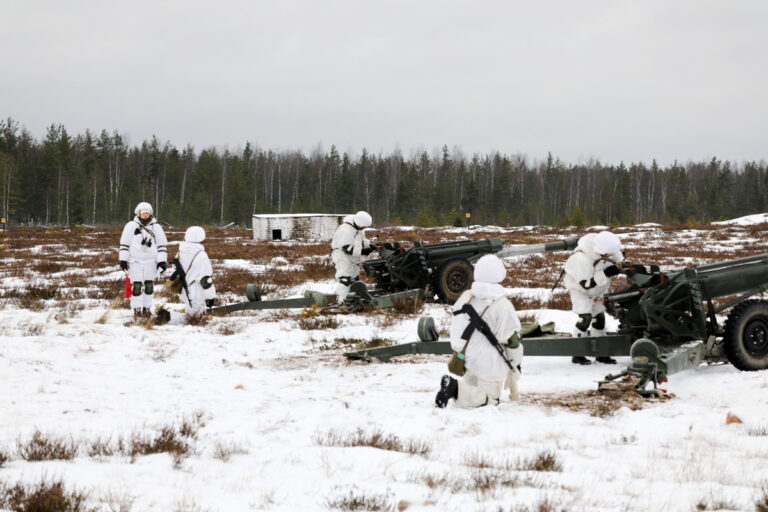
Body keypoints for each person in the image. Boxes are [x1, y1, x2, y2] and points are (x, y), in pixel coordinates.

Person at [435, 254, 523, 409]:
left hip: (467, 356)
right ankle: (455, 387)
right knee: (491, 400)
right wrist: (516, 360)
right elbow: (511, 339)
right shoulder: (503, 304)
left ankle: (459, 389)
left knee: (471, 390)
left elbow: (456, 326)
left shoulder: (466, 297)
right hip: (490, 362)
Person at [563, 230, 623, 365]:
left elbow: (618, 259)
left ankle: (601, 354)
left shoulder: (608, 248)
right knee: (585, 318)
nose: (612, 255)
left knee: (599, 319)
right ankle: (577, 353)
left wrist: (623, 266)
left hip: (598, 291)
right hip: (581, 292)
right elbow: (586, 284)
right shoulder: (581, 259)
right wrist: (606, 273)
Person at [157, 226, 216, 325]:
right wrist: (210, 296)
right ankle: (168, 317)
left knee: (194, 313)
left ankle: (167, 316)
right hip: (197, 291)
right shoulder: (201, 255)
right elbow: (205, 279)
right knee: (196, 318)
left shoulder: (180, 252)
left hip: (184, 289)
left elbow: (174, 271)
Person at [119, 202, 167, 317]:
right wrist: (123, 260)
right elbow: (124, 244)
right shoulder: (130, 226)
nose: (146, 215)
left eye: (148, 213)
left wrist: (161, 261)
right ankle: (136, 309)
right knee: (137, 286)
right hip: (135, 261)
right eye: (144, 213)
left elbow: (162, 246)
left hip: (151, 261)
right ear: (138, 213)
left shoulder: (156, 227)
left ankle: (146, 308)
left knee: (149, 286)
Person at [330, 211, 375, 302]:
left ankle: (353, 299)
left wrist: (371, 245)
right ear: (359, 223)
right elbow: (347, 248)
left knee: (354, 279)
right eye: (363, 226)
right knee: (345, 279)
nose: (364, 228)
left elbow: (362, 240)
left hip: (353, 258)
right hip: (342, 256)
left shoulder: (358, 230)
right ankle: (342, 302)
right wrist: (363, 251)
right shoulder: (345, 230)